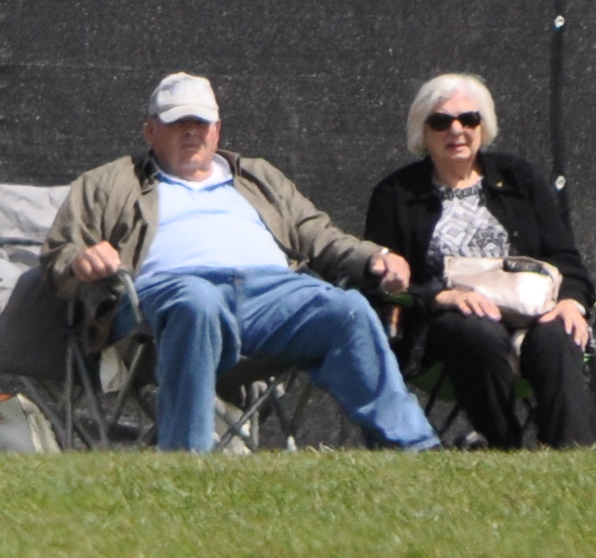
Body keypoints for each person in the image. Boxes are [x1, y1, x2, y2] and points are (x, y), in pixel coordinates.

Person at [43, 72, 435, 452]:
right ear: (151, 132)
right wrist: (82, 261)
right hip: (168, 296)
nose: (192, 131)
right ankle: (186, 461)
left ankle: (413, 447)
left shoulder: (257, 176)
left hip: (273, 294)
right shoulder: (110, 181)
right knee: (197, 303)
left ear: (217, 130)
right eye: (178, 122)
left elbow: (319, 235)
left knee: (347, 309)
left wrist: (375, 257)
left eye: (201, 122)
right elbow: (59, 252)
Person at [360, 72, 596, 448]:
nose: (456, 130)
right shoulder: (394, 194)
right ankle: (501, 448)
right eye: (441, 122)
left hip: (533, 310)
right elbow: (380, 278)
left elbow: (564, 257)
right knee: (474, 331)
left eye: (468, 120)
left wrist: (573, 302)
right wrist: (439, 297)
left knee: (560, 335)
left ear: (483, 126)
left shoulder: (520, 179)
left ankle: (572, 459)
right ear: (422, 132)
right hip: (446, 327)